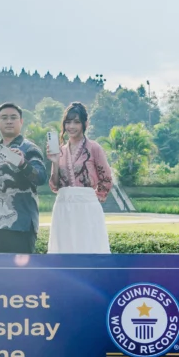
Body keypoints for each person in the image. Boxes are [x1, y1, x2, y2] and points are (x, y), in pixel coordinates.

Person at [46, 102, 112, 254]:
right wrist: (55, 162)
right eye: (68, 122)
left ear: (85, 123)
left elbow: (106, 177)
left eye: (76, 122)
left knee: (88, 247)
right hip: (63, 205)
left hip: (86, 206)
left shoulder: (94, 147)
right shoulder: (60, 151)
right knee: (63, 249)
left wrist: (92, 197)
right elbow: (55, 186)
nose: (71, 126)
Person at [0, 103, 48, 254]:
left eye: (13, 117)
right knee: (0, 272)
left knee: (23, 275)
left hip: (22, 224)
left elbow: (41, 177)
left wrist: (23, 164)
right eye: (4, 118)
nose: (9, 121)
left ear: (21, 121)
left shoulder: (30, 148)